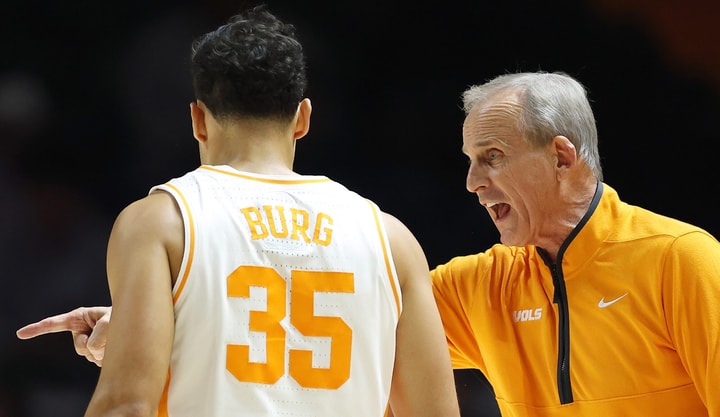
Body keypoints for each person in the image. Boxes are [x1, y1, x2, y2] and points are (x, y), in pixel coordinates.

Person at [18, 70, 720, 416]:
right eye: (465, 161)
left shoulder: (684, 262)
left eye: (491, 158)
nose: (470, 183)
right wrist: (146, 332)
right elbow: (303, 331)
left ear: (562, 157)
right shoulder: (480, 285)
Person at [15, 5, 460, 417]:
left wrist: (142, 328)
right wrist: (158, 322)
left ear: (198, 119)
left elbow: (126, 406)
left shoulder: (161, 221)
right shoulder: (391, 237)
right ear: (303, 118)